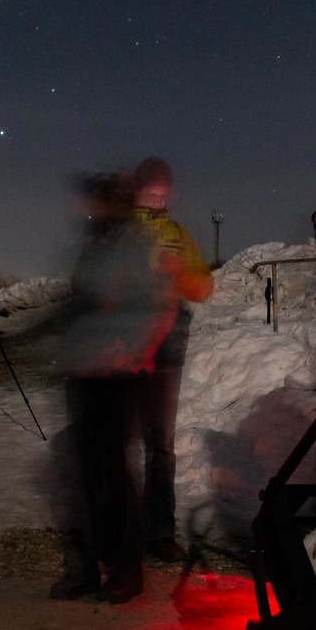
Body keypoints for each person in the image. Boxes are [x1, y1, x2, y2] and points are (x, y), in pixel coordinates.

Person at [52, 173, 175, 603]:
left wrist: (134, 350)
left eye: (97, 200)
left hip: (115, 372)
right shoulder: (95, 245)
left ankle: (126, 566)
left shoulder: (135, 243)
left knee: (112, 473)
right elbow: (84, 302)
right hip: (86, 369)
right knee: (87, 471)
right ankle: (94, 563)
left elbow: (158, 302)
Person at [131, 156, 213, 563]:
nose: (157, 199)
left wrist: (180, 274)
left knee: (160, 443)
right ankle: (120, 530)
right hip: (124, 343)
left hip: (167, 345)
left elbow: (203, 288)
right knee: (118, 440)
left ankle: (160, 531)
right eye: (151, 191)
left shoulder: (179, 234)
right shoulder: (122, 231)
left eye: (164, 192)